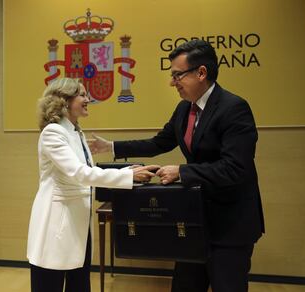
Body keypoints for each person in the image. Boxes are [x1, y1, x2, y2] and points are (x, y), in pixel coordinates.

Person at [89, 40, 265, 292]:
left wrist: (182, 171)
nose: (172, 82)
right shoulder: (184, 109)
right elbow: (158, 142)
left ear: (201, 73)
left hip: (230, 225)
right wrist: (113, 146)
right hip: (195, 220)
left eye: (177, 75)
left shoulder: (234, 108)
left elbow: (235, 168)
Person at [27, 78, 158, 292]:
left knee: (79, 284)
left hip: (78, 224)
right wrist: (126, 177)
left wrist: (126, 172)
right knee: (49, 284)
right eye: (82, 95)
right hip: (57, 225)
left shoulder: (76, 132)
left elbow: (87, 173)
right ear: (64, 100)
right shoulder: (53, 132)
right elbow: (80, 174)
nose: (88, 99)